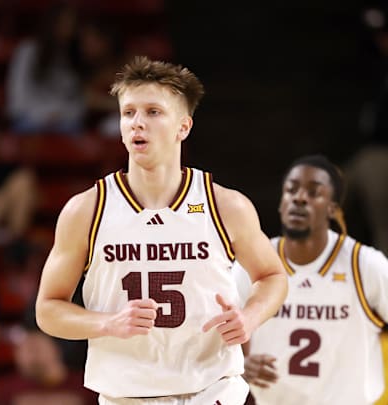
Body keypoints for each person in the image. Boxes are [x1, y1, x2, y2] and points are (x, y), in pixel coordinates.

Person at [34, 56, 288, 405]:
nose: (138, 123)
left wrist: (250, 316)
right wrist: (107, 323)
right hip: (126, 395)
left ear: (183, 127)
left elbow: (273, 275)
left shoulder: (225, 206)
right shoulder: (86, 210)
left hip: (212, 390)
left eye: (153, 112)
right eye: (129, 113)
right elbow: (48, 310)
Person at [233, 154, 388, 404]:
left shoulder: (365, 265)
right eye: (290, 190)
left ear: (333, 209)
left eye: (314, 192)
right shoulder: (253, 264)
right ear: (281, 204)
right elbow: (215, 330)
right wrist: (241, 364)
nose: (299, 198)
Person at [5, 1, 86, 135]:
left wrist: (60, 115)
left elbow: (78, 101)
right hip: (30, 119)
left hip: (65, 122)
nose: (67, 28)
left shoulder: (75, 57)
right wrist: (42, 116)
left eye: (71, 24)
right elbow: (17, 96)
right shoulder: (27, 51)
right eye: (63, 23)